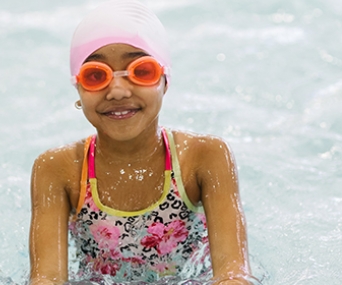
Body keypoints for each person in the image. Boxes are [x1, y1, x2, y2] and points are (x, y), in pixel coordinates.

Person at [29, 1, 258, 284]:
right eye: (96, 76)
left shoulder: (204, 157)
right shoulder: (58, 169)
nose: (118, 91)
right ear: (77, 87)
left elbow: (234, 274)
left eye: (141, 71)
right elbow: (47, 278)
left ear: (165, 80)